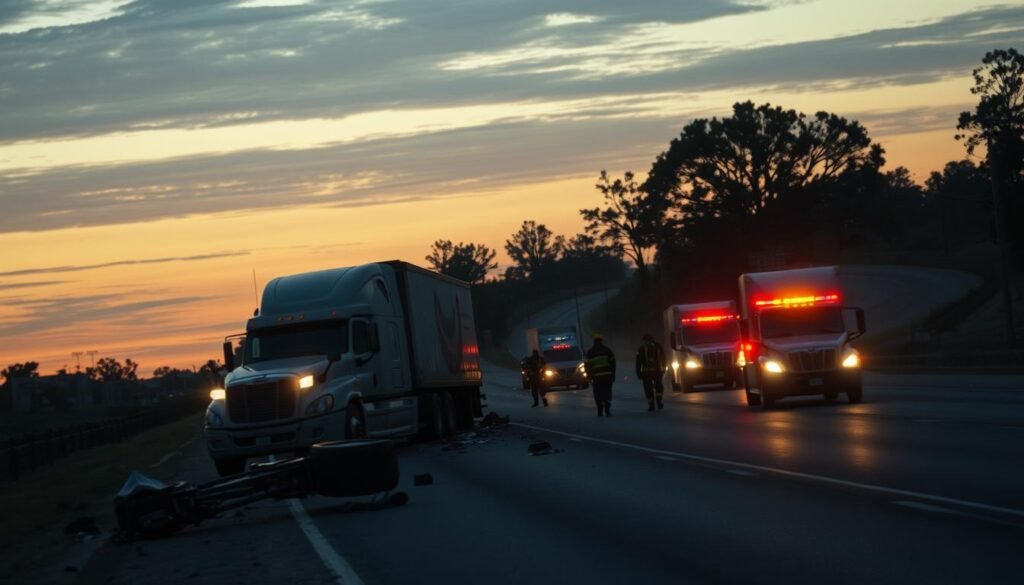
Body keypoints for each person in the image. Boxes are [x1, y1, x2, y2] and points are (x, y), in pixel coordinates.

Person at [585, 335, 616, 416]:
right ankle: (607, 409)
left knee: (598, 394)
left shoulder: (590, 352)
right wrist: (613, 375)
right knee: (607, 393)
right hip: (607, 376)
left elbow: (587, 366)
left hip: (596, 377)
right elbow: (613, 364)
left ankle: (600, 410)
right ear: (601, 341)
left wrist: (589, 376)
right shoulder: (607, 350)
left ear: (594, 341)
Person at [636, 333, 666, 411]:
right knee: (656, 387)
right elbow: (664, 359)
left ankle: (654, 404)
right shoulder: (657, 347)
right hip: (655, 372)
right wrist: (664, 369)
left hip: (649, 373)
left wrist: (638, 373)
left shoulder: (642, 349)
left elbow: (638, 362)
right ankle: (656, 403)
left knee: (650, 388)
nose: (645, 342)